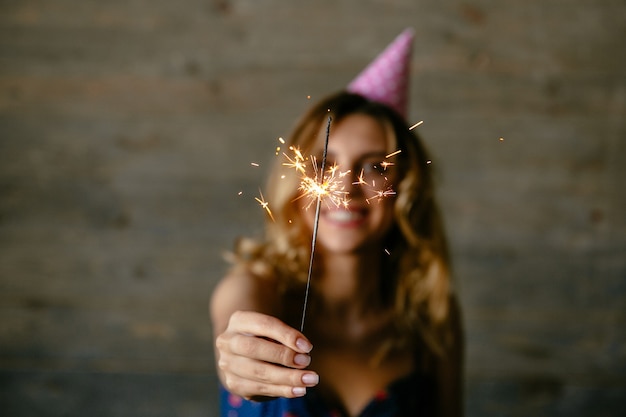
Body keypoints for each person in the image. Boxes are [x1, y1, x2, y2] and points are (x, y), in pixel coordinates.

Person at [210, 29, 464, 417]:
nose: (345, 187)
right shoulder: (254, 288)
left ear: (406, 184)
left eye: (375, 166)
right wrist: (241, 358)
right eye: (324, 164)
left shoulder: (433, 319)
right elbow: (238, 322)